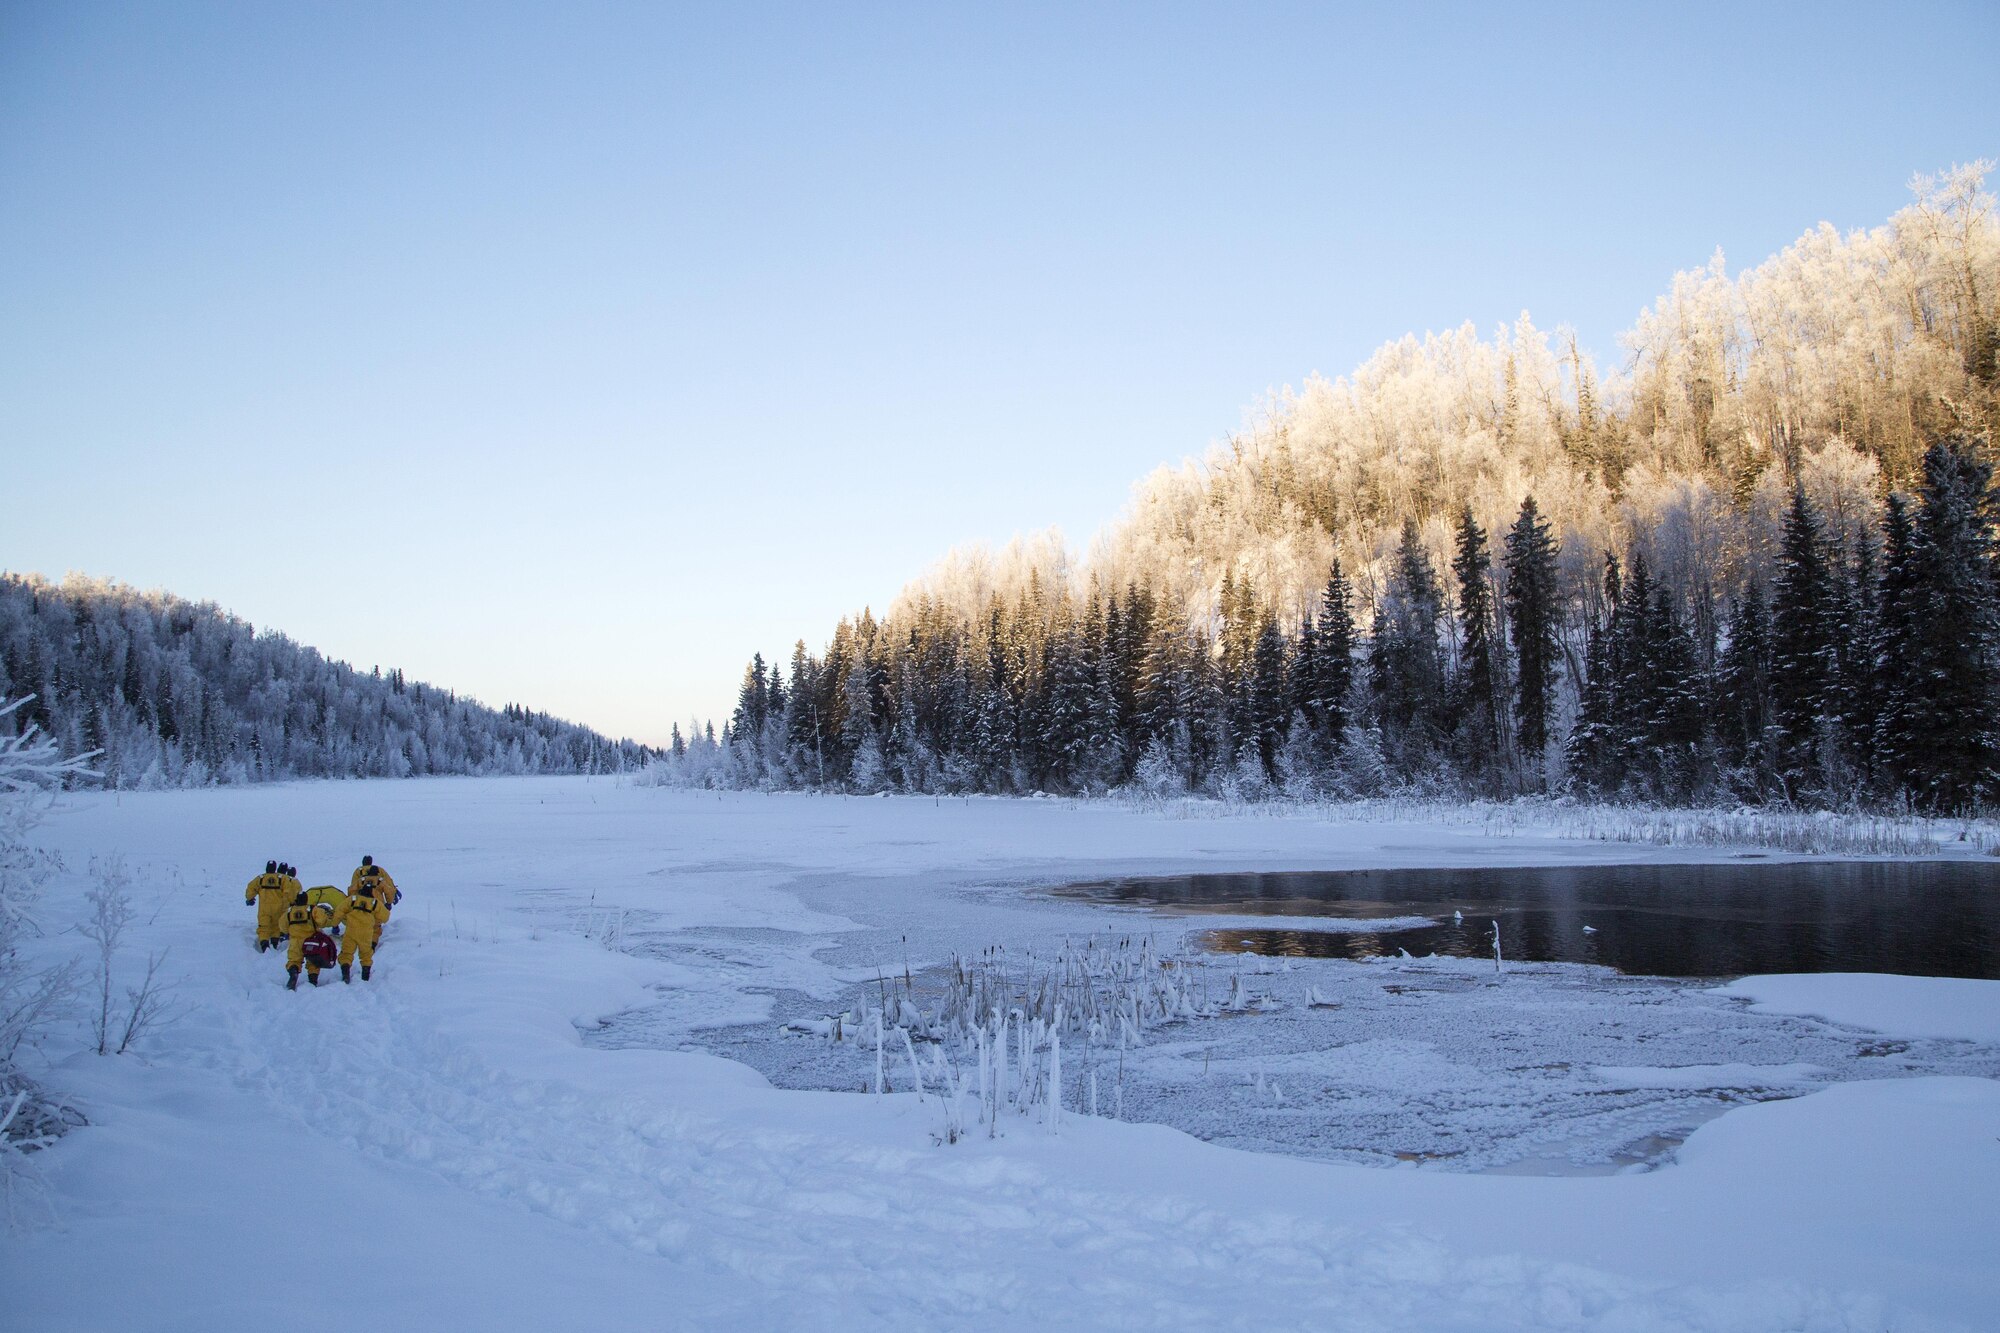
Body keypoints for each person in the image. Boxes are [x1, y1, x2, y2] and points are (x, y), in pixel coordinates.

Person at [281, 890, 337, 989]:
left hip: (295, 941)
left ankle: (293, 974)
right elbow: (322, 921)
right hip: (311, 941)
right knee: (313, 961)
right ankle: (312, 981)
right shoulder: (312, 909)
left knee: (294, 960)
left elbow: (282, 927)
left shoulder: (289, 912)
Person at [338, 877, 389, 983]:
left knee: (346, 953)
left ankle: (345, 973)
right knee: (366, 955)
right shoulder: (375, 903)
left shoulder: (353, 900)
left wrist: (335, 923)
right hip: (366, 933)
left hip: (351, 931)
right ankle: (365, 976)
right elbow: (386, 917)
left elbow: (339, 910)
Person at [350, 856, 400, 935]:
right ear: (371, 861)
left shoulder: (358, 871)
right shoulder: (379, 870)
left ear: (363, 862)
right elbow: (389, 884)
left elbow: (352, 888)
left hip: (362, 901)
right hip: (378, 901)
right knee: (376, 921)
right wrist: (391, 899)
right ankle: (373, 939)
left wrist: (352, 901)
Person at [245, 860, 287, 952]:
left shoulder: (260, 878)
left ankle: (264, 944)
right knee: (276, 926)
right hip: (278, 908)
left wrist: (250, 898)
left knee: (263, 927)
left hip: (264, 908)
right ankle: (275, 943)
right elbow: (289, 890)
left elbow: (251, 888)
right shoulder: (282, 878)